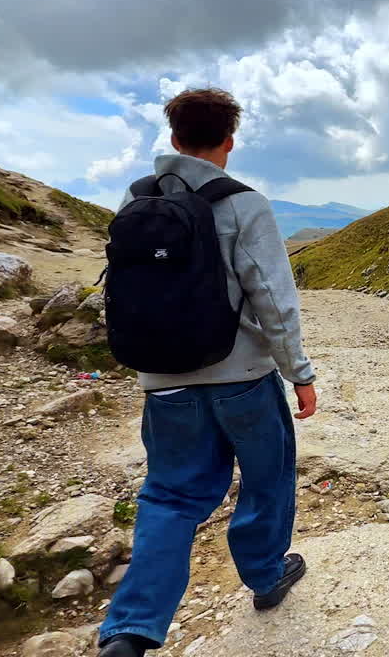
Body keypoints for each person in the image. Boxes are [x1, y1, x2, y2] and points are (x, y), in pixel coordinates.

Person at [98, 88, 317, 657]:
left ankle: (130, 629)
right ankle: (267, 576)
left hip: (163, 381)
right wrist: (299, 372)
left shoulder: (133, 199)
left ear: (172, 139)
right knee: (267, 477)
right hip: (241, 377)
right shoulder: (244, 203)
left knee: (169, 497)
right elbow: (273, 297)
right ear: (229, 141)